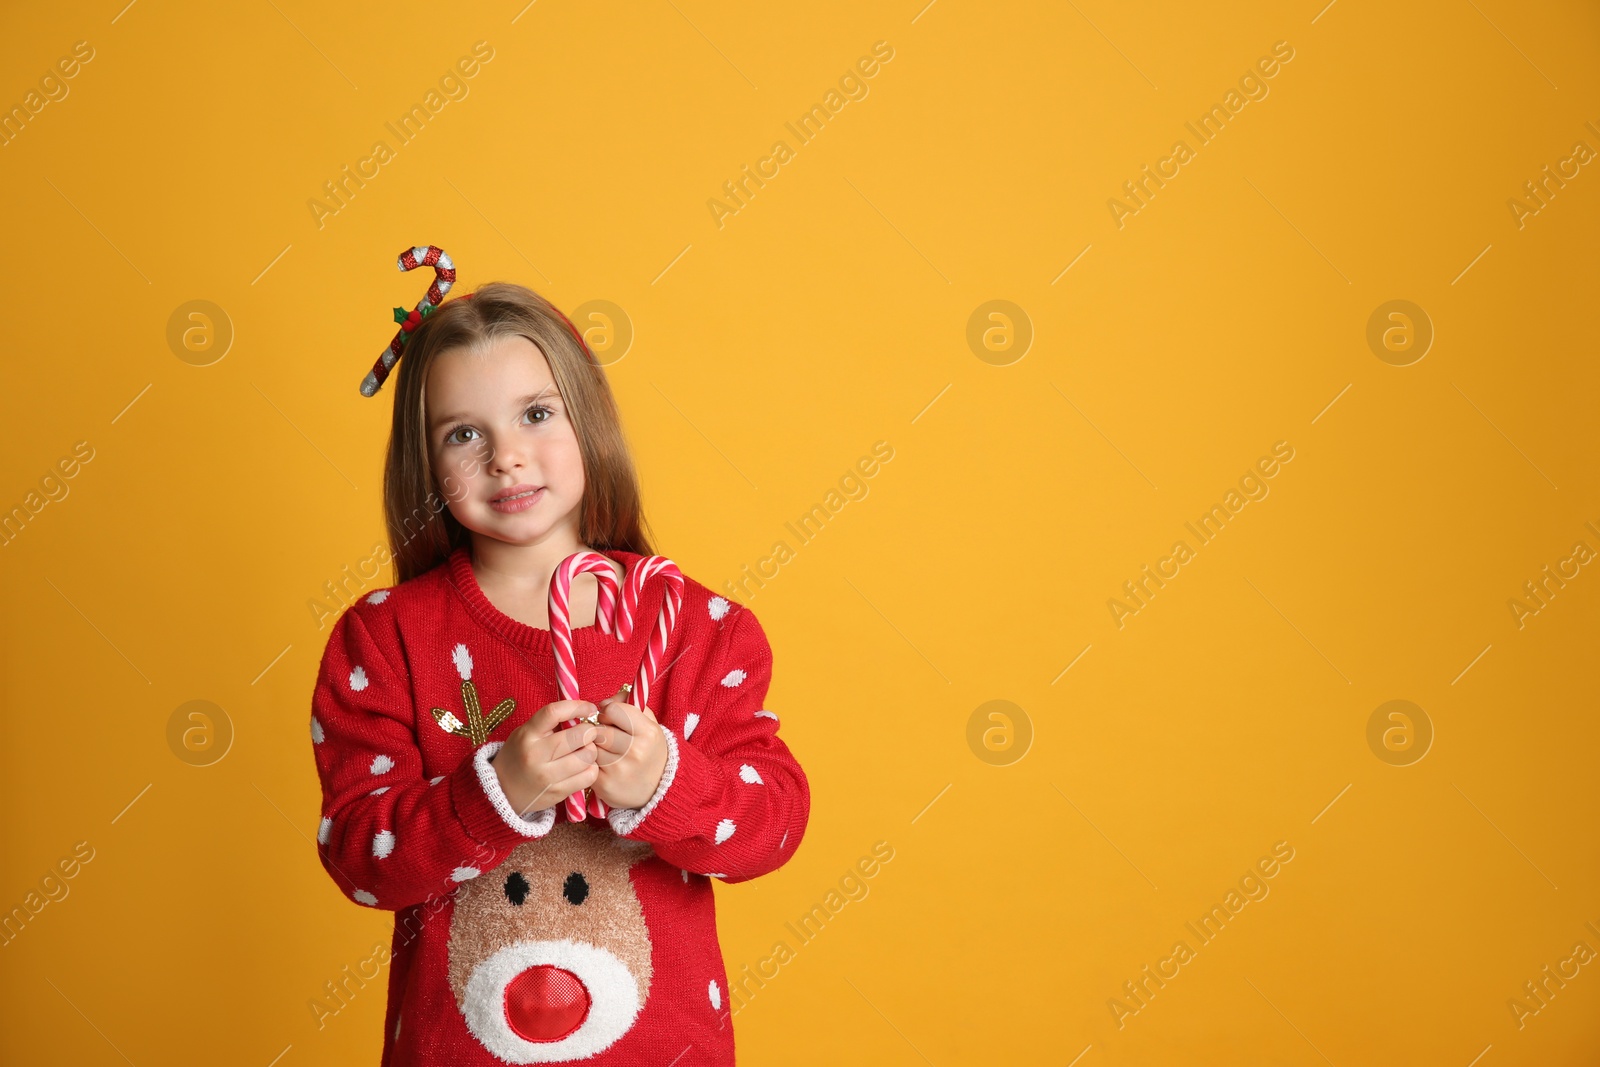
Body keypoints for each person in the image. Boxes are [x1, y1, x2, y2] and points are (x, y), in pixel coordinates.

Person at [308, 276, 809, 1065]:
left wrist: (664, 784)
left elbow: (774, 825)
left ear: (589, 417)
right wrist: (494, 790)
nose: (506, 455)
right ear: (424, 461)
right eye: (461, 435)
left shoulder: (697, 630)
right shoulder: (385, 639)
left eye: (536, 414)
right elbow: (361, 857)